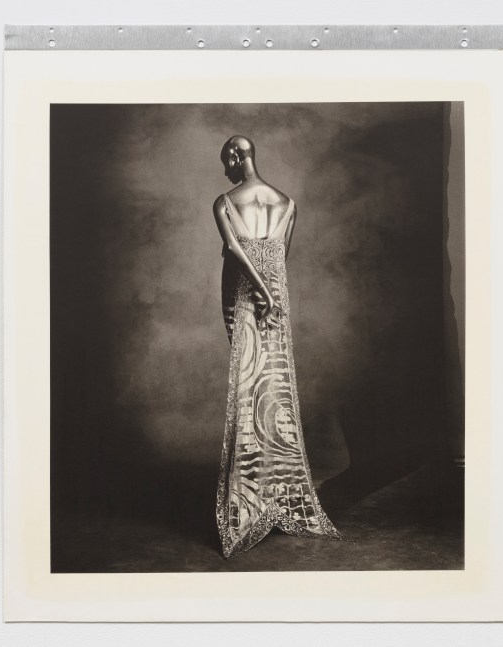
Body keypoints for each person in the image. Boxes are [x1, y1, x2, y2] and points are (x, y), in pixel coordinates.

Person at [214, 135, 346, 559]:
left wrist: (260, 296)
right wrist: (273, 294)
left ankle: (252, 501)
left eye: (226, 162)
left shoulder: (224, 201)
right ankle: (268, 493)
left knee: (250, 387)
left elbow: (234, 248)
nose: (226, 171)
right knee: (272, 384)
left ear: (237, 157)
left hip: (246, 294)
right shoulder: (287, 203)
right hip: (275, 293)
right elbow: (281, 256)